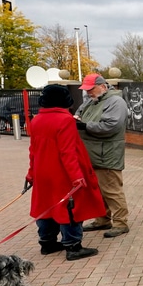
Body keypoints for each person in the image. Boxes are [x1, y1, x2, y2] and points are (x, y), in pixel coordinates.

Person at [25, 84, 106, 260]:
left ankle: (47, 243)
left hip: (42, 172)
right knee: (70, 208)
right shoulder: (66, 120)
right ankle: (73, 246)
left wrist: (31, 173)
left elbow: (33, 150)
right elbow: (68, 152)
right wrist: (77, 177)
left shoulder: (37, 120)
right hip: (62, 173)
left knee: (46, 207)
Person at [75, 73, 130, 238]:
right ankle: (102, 219)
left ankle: (121, 223)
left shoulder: (115, 102)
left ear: (103, 86)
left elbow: (111, 126)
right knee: (98, 190)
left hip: (107, 154)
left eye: (91, 89)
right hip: (93, 154)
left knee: (112, 190)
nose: (88, 93)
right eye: (86, 90)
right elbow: (79, 115)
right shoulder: (92, 102)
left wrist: (84, 125)